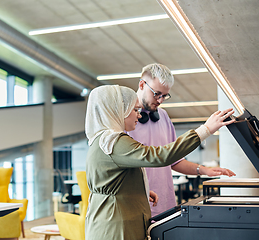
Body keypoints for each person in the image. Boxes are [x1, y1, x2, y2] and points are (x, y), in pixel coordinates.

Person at [84, 84, 234, 240]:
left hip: (112, 221)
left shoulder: (101, 140)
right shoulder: (114, 142)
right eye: (135, 110)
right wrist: (205, 130)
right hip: (115, 226)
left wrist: (138, 190)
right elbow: (159, 156)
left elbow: (110, 180)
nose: (139, 115)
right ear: (117, 111)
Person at [127, 63, 236, 217]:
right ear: (141, 84)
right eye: (157, 93)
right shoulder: (126, 120)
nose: (160, 100)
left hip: (166, 203)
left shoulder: (163, 116)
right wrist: (204, 130)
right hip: (140, 205)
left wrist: (204, 170)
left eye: (164, 95)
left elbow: (174, 160)